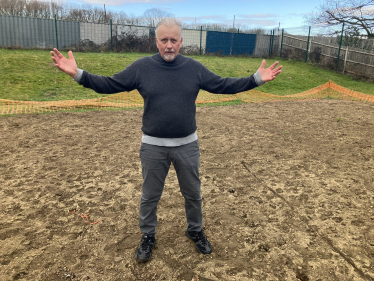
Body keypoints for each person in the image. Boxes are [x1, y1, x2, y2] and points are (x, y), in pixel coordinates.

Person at [51, 17, 282, 263]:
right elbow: (110, 84)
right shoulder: (142, 68)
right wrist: (78, 74)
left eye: (174, 40)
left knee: (193, 194)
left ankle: (195, 230)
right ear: (156, 41)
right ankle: (148, 235)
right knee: (150, 196)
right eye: (164, 40)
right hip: (153, 147)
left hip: (187, 145)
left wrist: (255, 79)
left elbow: (223, 85)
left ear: (181, 42)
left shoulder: (194, 68)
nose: (169, 45)